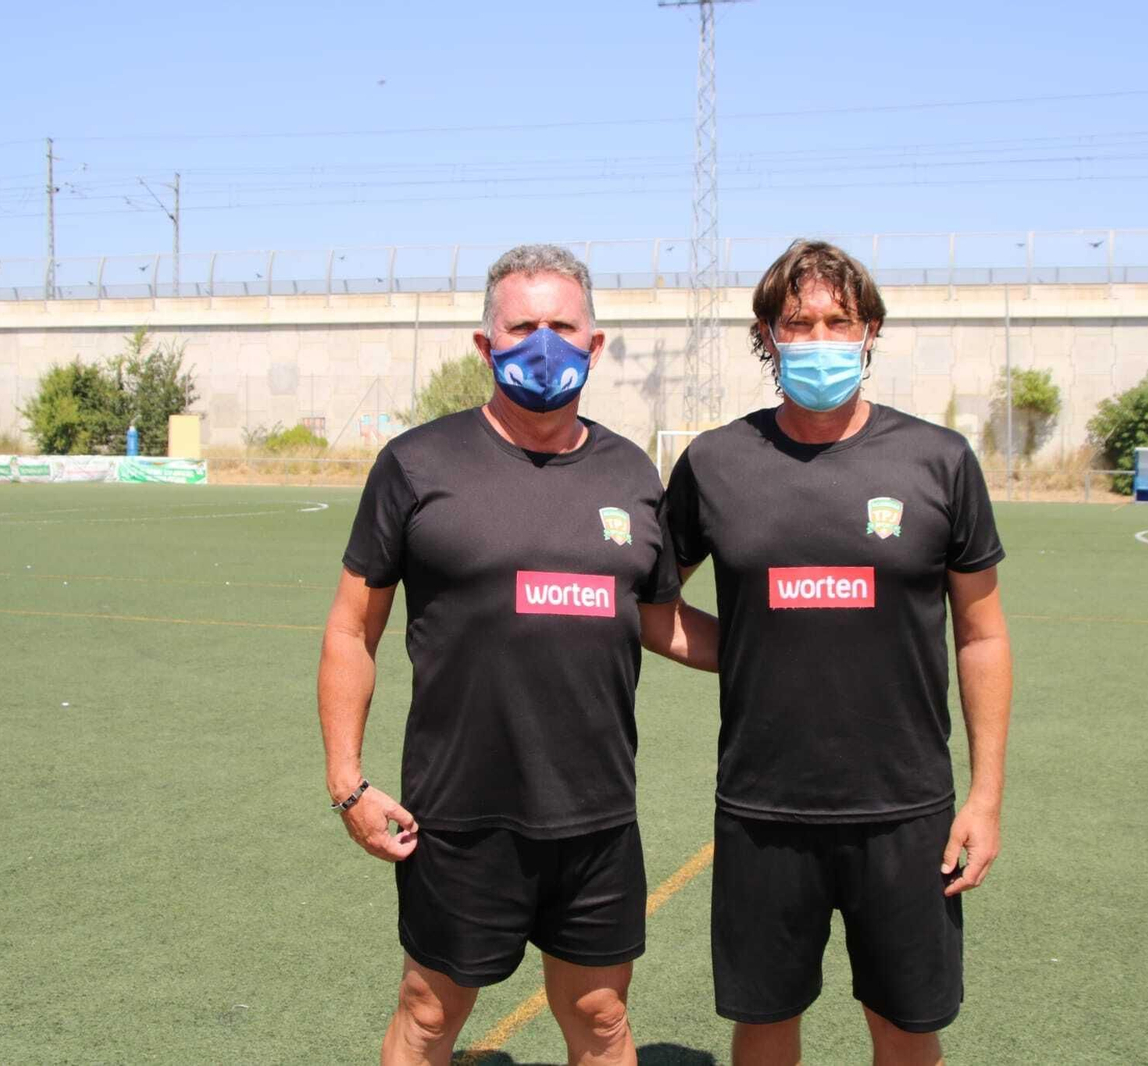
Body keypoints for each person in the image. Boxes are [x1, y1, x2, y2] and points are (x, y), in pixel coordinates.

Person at [318, 244, 717, 1066]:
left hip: (596, 814)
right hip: (458, 812)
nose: (545, 344)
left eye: (564, 325)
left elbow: (660, 619)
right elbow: (352, 629)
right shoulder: (417, 465)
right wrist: (346, 781)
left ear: (596, 344)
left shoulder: (631, 471)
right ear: (485, 344)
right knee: (428, 1014)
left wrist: (786, 646)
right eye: (524, 326)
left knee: (602, 1018)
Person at [664, 240, 1013, 1066]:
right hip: (763, 807)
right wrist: (746, 649)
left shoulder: (939, 460)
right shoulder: (715, 463)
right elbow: (651, 605)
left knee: (905, 1027)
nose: (818, 338)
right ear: (767, 335)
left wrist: (986, 796)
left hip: (907, 806)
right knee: (764, 1023)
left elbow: (983, 632)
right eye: (798, 323)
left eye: (837, 321)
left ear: (870, 331)